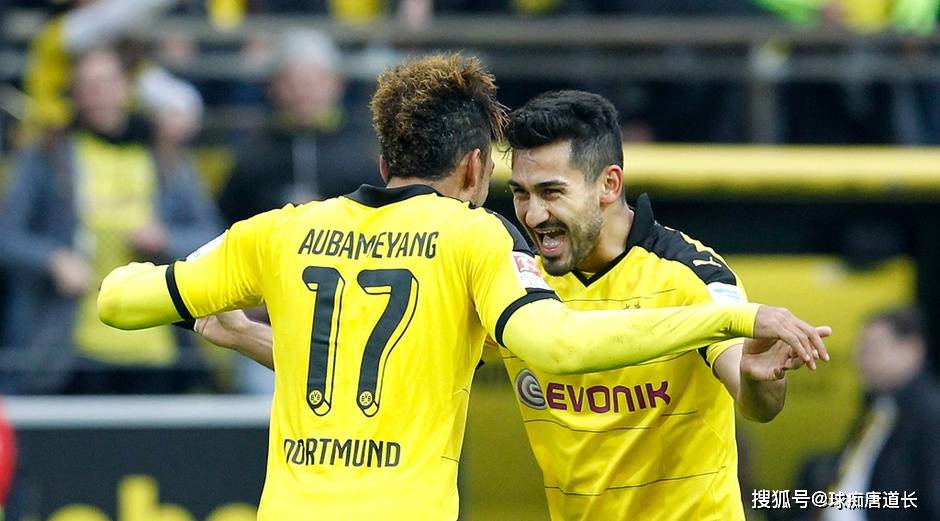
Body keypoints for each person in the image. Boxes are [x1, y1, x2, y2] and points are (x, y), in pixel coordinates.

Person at [99, 54, 827, 520]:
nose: (531, 213)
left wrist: (235, 326)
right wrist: (736, 320)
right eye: (522, 193)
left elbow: (119, 300)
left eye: (551, 192)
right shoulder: (484, 247)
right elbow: (539, 348)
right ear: (477, 169)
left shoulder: (282, 231)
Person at [0, 47, 221, 394]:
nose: (97, 95)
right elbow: (7, 236)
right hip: (69, 349)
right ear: (74, 94)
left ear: (126, 87)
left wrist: (165, 239)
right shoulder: (48, 155)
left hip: (157, 345)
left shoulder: (165, 156)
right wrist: (53, 259)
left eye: (106, 82)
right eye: (86, 85)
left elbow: (212, 237)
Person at [819, 308, 940, 521]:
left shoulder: (930, 415)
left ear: (912, 349)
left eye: (871, 349)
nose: (860, 359)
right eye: (859, 349)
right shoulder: (877, 408)